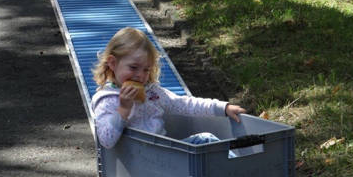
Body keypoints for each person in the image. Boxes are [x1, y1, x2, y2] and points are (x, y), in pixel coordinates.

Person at [91, 27, 246, 149]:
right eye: (133, 67)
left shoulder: (152, 92)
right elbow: (106, 141)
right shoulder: (107, 100)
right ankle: (238, 173)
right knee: (206, 141)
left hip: (164, 154)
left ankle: (235, 171)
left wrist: (222, 108)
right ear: (112, 63)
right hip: (136, 162)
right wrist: (123, 110)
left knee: (206, 140)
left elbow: (184, 104)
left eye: (146, 69)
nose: (140, 75)